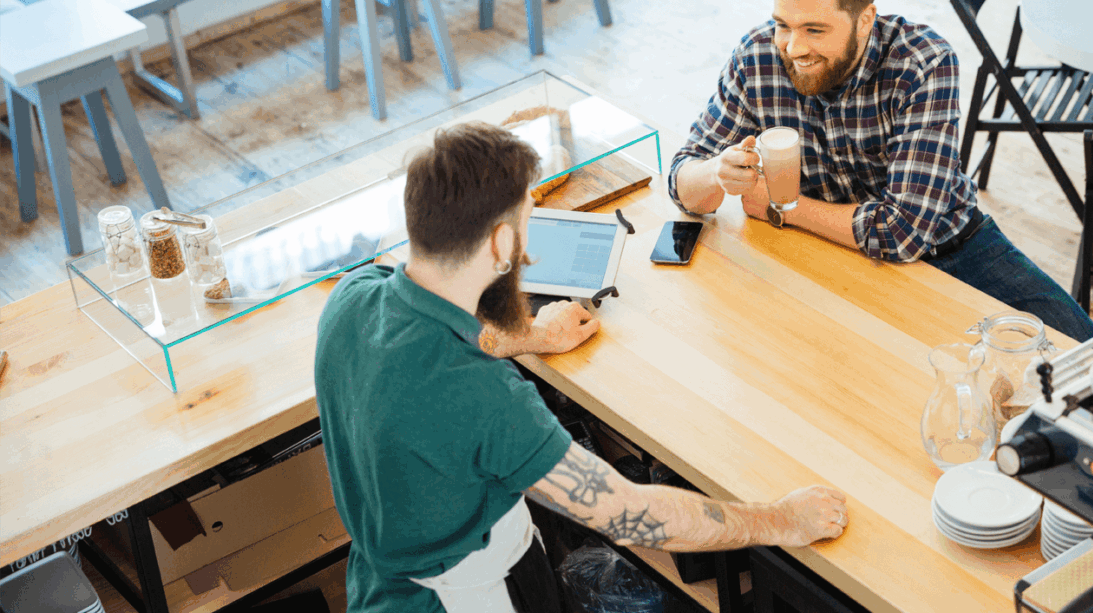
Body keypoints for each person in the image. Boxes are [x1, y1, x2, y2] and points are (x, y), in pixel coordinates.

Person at [315, 121, 849, 613]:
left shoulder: (351, 301)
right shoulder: (490, 400)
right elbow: (633, 514)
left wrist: (533, 336)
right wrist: (783, 519)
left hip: (376, 589)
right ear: (501, 242)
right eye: (526, 230)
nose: (529, 255)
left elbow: (435, 345)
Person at [669, 0, 1093, 344]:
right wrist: (716, 173)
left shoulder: (923, 63)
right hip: (818, 253)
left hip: (951, 249)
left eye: (815, 30)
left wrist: (785, 208)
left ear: (865, 19)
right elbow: (684, 183)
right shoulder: (756, 57)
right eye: (783, 24)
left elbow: (903, 233)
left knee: (1087, 357)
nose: (793, 47)